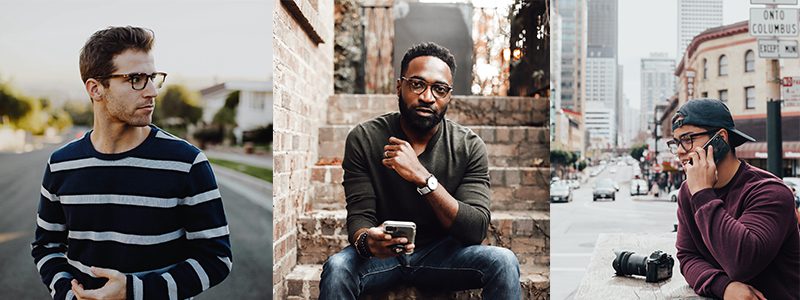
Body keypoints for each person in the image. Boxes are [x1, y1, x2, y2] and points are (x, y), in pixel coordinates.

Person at [31, 26, 232, 300]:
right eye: (136, 78)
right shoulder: (61, 164)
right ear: (95, 89)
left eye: (152, 77)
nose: (152, 91)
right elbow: (47, 246)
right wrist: (68, 294)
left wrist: (134, 291)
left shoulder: (187, 163)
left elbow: (216, 258)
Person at [318, 42, 520, 299]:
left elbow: (475, 229)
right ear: (399, 86)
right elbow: (360, 217)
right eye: (417, 84)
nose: (427, 96)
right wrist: (368, 242)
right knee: (337, 268)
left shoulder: (468, 146)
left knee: (503, 261)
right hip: (384, 256)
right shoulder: (365, 138)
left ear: (449, 96)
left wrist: (423, 177)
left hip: (445, 255)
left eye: (439, 89)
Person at [669, 99, 799, 299]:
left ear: (721, 138)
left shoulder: (770, 192)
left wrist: (703, 193)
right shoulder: (689, 191)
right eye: (676, 142)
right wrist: (724, 286)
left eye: (687, 139)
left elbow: (742, 263)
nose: (679, 150)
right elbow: (688, 257)